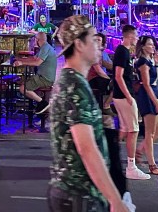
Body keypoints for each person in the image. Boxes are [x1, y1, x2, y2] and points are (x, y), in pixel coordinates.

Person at [48, 15, 127, 212]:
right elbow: (87, 149)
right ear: (79, 44)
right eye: (93, 39)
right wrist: (115, 201)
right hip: (79, 195)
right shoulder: (75, 86)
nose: (99, 45)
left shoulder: (73, 80)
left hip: (74, 193)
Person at [88, 32, 127, 200]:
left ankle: (106, 105)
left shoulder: (102, 53)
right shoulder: (93, 54)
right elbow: (98, 70)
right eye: (95, 40)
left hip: (100, 79)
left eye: (100, 40)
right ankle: (105, 105)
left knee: (118, 81)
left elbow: (108, 66)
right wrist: (112, 79)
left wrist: (120, 67)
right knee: (116, 84)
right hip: (94, 80)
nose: (98, 42)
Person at [111, 25, 148, 180]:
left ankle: (107, 155)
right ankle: (131, 167)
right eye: (136, 36)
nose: (137, 39)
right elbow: (118, 76)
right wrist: (128, 96)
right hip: (123, 96)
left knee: (126, 129)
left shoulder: (124, 51)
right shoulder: (122, 51)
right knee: (133, 130)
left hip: (121, 95)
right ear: (131, 36)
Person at [133, 35, 158, 176]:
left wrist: (157, 64)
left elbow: (156, 78)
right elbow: (146, 84)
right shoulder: (143, 62)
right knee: (150, 132)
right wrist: (156, 102)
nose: (153, 47)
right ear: (143, 47)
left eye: (153, 44)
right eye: (149, 44)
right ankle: (152, 165)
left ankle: (140, 150)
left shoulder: (150, 60)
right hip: (147, 96)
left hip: (152, 93)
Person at [17, 30, 57, 117]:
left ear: (37, 40)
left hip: (45, 79)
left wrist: (22, 63)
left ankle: (43, 103)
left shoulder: (45, 48)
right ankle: (39, 106)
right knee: (24, 82)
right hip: (43, 77)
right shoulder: (45, 47)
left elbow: (37, 63)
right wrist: (19, 59)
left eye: (35, 39)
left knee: (23, 88)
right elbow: (34, 58)